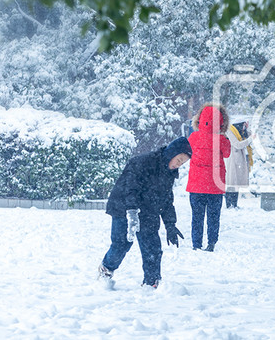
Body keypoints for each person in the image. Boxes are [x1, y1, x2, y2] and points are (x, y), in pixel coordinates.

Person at [97, 136, 192, 289]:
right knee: (121, 244)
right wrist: (132, 211)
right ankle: (106, 269)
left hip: (148, 211)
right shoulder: (143, 162)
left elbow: (167, 200)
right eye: (179, 159)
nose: (178, 164)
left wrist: (170, 225)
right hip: (123, 207)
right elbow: (130, 188)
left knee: (152, 247)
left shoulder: (169, 173)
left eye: (182, 163)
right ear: (171, 153)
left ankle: (151, 282)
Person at [186, 103, 231, 250]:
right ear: (221, 122)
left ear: (199, 119)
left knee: (197, 217)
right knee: (213, 217)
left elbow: (188, 152)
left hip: (196, 185)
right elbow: (227, 154)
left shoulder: (193, 137)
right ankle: (211, 243)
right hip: (215, 186)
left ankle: (196, 244)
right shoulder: (222, 140)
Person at [224, 119, 253, 208]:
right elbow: (237, 144)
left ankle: (234, 204)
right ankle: (229, 204)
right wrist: (250, 139)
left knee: (236, 183)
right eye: (244, 125)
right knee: (231, 183)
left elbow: (248, 136)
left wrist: (247, 130)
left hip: (238, 159)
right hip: (232, 159)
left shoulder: (239, 132)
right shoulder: (230, 131)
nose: (244, 127)